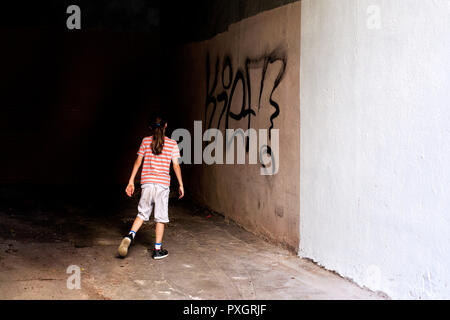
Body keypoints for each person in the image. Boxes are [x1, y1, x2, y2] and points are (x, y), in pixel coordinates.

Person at [118, 115, 184, 259]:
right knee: (160, 217)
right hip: (162, 185)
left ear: (150, 127)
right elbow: (176, 165)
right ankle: (157, 250)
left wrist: (130, 181)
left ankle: (130, 235)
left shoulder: (145, 141)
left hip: (147, 183)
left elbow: (137, 162)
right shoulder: (172, 144)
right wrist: (180, 184)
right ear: (166, 125)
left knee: (142, 214)